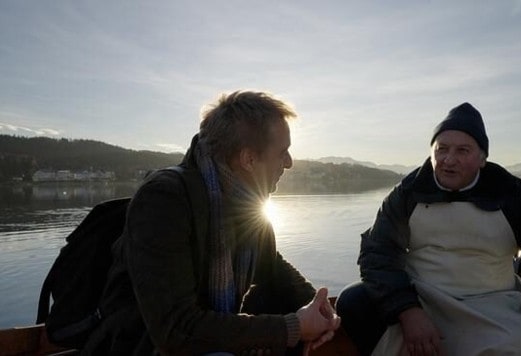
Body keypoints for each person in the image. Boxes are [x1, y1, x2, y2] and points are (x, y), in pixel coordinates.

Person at [335, 102, 521, 356]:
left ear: (482, 158)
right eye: (442, 149)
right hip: (422, 296)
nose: (449, 160)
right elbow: (377, 254)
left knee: (514, 347)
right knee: (353, 301)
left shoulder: (511, 195)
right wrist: (408, 311)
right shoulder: (408, 193)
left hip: (490, 303)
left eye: (462, 150)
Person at [82, 91, 340, 355]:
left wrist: (319, 308)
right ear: (249, 159)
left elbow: (273, 267)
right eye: (283, 152)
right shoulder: (164, 200)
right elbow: (176, 329)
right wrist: (291, 327)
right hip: (139, 346)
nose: (289, 163)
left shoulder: (248, 203)